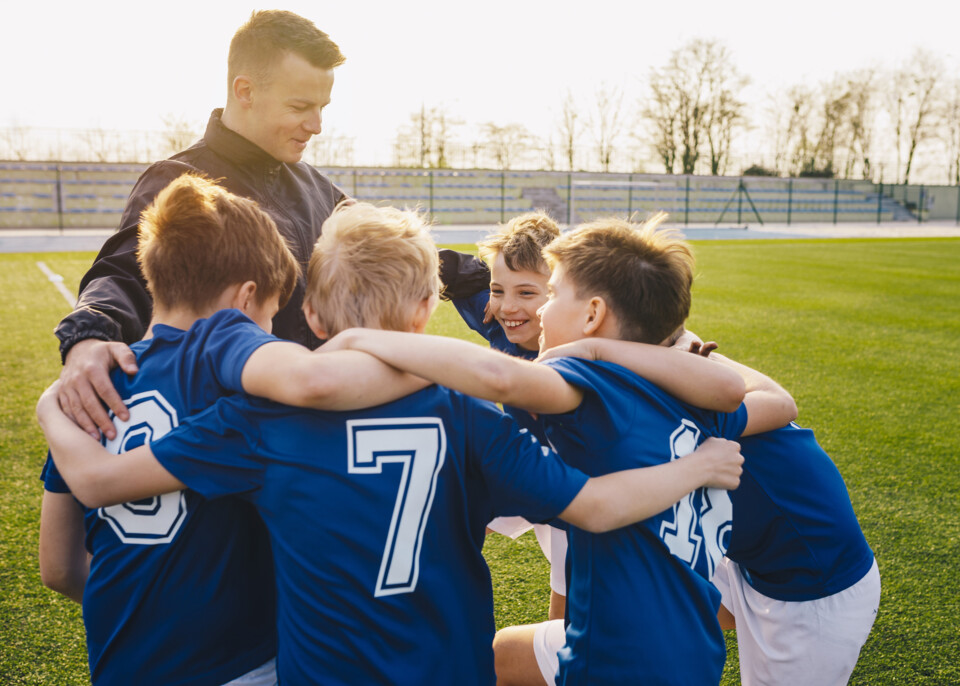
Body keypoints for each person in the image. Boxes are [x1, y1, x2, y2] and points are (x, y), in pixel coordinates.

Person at [37, 202, 746, 685]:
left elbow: (99, 498)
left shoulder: (257, 420)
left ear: (312, 316)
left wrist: (54, 409)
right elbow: (593, 505)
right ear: (427, 308)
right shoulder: (470, 414)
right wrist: (695, 466)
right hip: (449, 668)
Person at [324, 214, 799, 684]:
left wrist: (361, 339)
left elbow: (500, 377)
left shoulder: (587, 381)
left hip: (615, 654)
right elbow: (735, 390)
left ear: (592, 315)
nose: (536, 310)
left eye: (549, 294)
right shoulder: (679, 387)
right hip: (693, 648)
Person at [38, 176, 427, 686]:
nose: (269, 333)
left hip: (121, 664)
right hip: (240, 662)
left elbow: (59, 568)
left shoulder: (87, 391)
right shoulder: (235, 374)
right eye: (270, 317)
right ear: (246, 299)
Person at [53, 9, 489, 443]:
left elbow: (387, 255)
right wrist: (88, 337)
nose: (316, 126)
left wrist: (490, 277)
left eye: (322, 108)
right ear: (245, 91)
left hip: (317, 440)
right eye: (300, 107)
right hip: (227, 441)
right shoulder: (179, 182)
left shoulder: (318, 188)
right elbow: (121, 273)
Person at [568, 336, 881, 686]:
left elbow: (779, 404)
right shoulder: (662, 380)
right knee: (629, 624)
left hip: (813, 588)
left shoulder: (673, 407)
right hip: (753, 559)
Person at [450, 211, 569, 625]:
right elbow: (446, 269)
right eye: (497, 291)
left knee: (572, 609)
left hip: (581, 488)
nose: (508, 307)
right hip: (526, 467)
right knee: (452, 511)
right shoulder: (502, 319)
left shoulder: (593, 350)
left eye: (527, 293)